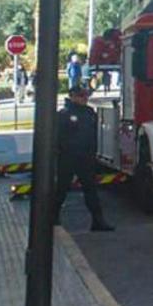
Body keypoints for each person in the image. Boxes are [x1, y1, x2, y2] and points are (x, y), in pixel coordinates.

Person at [54, 85, 114, 231]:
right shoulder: (63, 114)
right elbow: (56, 137)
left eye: (86, 96)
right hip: (68, 157)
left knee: (91, 190)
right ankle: (52, 217)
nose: (84, 99)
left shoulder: (89, 112)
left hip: (86, 158)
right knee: (61, 190)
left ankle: (98, 221)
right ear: (72, 96)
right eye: (81, 96)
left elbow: (93, 134)